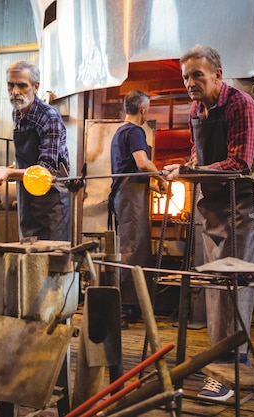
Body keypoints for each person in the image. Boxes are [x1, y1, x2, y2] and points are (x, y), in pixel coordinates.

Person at [164, 44, 254, 402]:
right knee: (215, 284)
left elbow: (240, 164)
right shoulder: (197, 108)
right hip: (213, 204)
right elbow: (199, 154)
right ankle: (221, 361)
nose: (190, 82)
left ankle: (234, 372)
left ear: (217, 75)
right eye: (186, 77)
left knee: (235, 283)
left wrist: (190, 171)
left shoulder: (242, 105)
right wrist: (184, 167)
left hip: (243, 204)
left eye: (197, 74)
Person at [0, 60, 71, 241]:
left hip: (51, 203)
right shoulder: (17, 112)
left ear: (36, 86)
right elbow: (31, 157)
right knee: (27, 256)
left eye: (22, 86)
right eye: (10, 85)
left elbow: (44, 171)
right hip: (26, 197)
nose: (15, 92)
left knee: (52, 260)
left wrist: (9, 173)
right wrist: (12, 168)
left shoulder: (49, 117)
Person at [109, 90, 166, 316]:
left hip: (126, 194)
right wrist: (160, 178)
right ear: (143, 109)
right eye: (147, 109)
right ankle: (128, 306)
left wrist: (151, 186)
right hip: (130, 198)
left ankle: (131, 302)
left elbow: (128, 171)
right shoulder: (135, 131)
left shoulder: (119, 133)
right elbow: (142, 164)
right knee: (132, 248)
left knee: (133, 245)